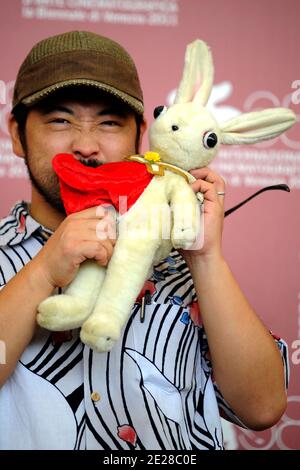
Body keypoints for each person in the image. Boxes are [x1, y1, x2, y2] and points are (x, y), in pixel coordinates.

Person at [0, 30, 288, 450]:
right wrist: (43, 272)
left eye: (110, 122)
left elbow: (262, 407)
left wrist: (205, 258)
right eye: (60, 120)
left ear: (140, 135)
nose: (85, 146)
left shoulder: (178, 259)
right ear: (16, 133)